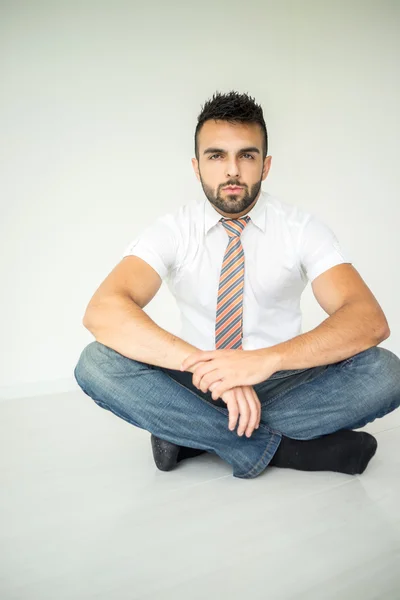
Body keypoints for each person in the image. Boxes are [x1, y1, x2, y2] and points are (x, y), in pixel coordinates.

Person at [74, 90, 400, 479]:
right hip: (195, 381)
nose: (232, 171)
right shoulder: (172, 230)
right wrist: (211, 370)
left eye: (247, 155)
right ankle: (288, 450)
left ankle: (189, 433)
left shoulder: (302, 229)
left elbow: (368, 320)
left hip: (284, 379)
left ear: (266, 166)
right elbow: (104, 309)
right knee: (96, 363)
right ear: (197, 167)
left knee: (385, 372)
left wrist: (266, 360)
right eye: (216, 156)